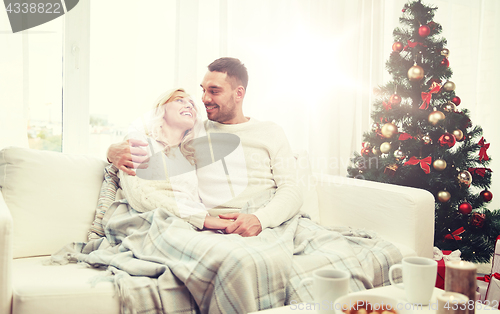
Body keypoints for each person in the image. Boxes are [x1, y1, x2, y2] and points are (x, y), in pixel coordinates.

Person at [107, 57, 303, 236]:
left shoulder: (270, 132)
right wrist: (112, 151)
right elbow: (152, 132)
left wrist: (260, 220)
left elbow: (291, 189)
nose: (204, 99)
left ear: (239, 93)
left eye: (214, 91)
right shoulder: (193, 132)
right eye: (203, 90)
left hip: (266, 218)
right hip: (216, 225)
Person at [117, 88, 233, 231]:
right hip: (149, 220)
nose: (189, 105)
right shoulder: (140, 142)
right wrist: (202, 219)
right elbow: (140, 195)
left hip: (189, 225)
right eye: (179, 100)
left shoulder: (191, 158)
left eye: (192, 103)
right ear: (162, 109)